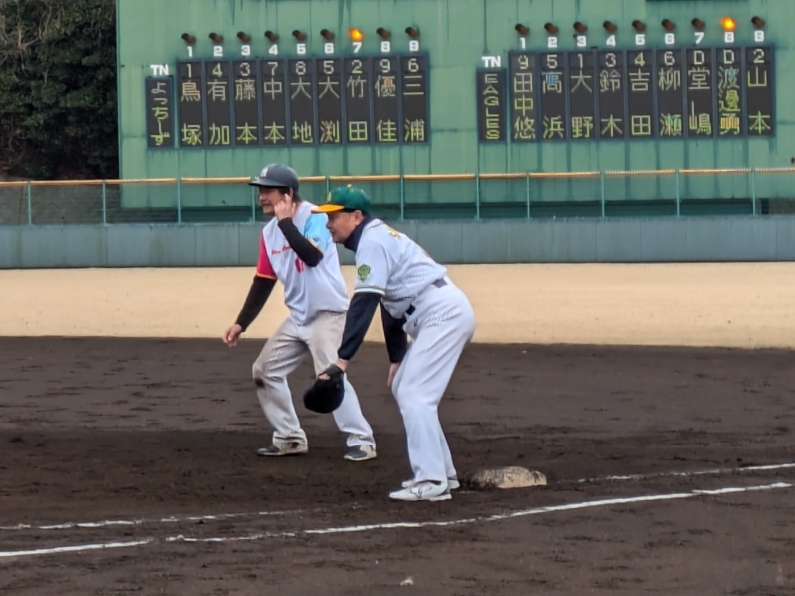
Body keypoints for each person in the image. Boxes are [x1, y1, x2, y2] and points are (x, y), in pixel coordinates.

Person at [312, 186, 475, 501]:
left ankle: (432, 480)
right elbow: (390, 305)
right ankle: (444, 474)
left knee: (415, 394)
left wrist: (342, 360)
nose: (328, 224)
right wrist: (397, 359)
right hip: (436, 312)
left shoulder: (372, 242)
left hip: (442, 314)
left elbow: (365, 302)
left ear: (356, 217)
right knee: (406, 387)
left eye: (334, 216)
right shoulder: (375, 237)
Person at [223, 165, 377, 462]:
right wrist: (242, 322)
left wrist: (286, 224)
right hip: (298, 318)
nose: (262, 197)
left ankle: (362, 440)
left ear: (288, 194)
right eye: (261, 191)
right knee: (265, 370)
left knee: (330, 376)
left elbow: (312, 256)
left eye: (268, 191)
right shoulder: (269, 233)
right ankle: (289, 437)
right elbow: (264, 280)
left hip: (328, 313)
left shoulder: (316, 217)